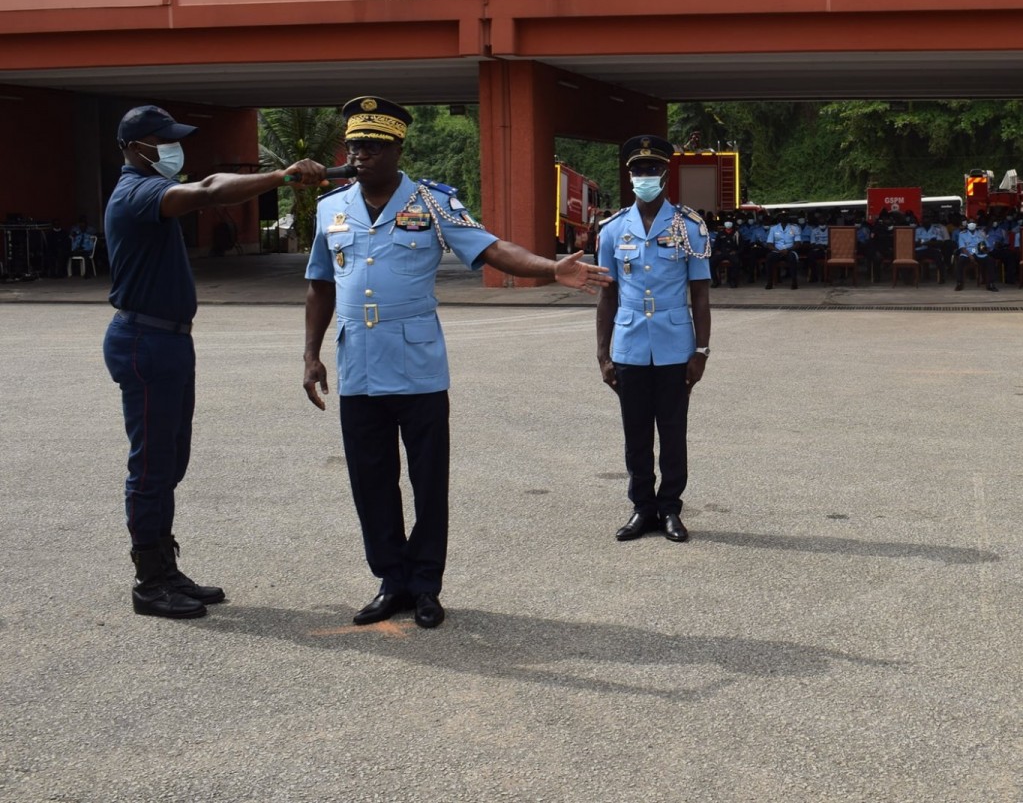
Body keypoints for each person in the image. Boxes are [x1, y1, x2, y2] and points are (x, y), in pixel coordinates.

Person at [303, 96, 609, 629]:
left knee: (427, 481)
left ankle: (424, 585)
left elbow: (491, 248)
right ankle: (390, 580)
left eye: (373, 146)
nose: (361, 155)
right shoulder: (330, 209)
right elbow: (319, 285)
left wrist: (548, 267)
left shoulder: (432, 202)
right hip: (359, 368)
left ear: (398, 148)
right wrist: (310, 354)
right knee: (370, 480)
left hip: (418, 367)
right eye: (355, 146)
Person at [104, 105, 327, 619]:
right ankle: (149, 581)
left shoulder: (150, 189)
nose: (172, 149)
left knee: (171, 460)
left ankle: (165, 565)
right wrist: (283, 175)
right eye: (164, 142)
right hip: (145, 341)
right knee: (151, 466)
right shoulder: (136, 193)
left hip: (168, 341)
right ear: (137, 147)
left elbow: (205, 181)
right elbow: (206, 190)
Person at [596, 135, 712, 544]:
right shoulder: (611, 230)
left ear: (665, 174)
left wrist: (700, 350)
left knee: (673, 431)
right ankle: (642, 507)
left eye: (652, 170)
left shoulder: (688, 227)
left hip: (675, 347)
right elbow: (607, 294)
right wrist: (602, 354)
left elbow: (699, 292)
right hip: (629, 346)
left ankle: (670, 509)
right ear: (629, 176)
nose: (645, 176)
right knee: (636, 432)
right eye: (638, 170)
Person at [765, 212, 800, 289]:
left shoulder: (795, 228)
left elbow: (797, 243)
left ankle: (794, 282)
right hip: (777, 251)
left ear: (788, 218)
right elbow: (769, 244)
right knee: (769, 257)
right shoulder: (773, 228)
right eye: (781, 216)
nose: (783, 218)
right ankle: (769, 282)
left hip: (789, 250)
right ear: (778, 218)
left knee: (792, 258)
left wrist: (788, 249)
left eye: (785, 216)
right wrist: (777, 250)